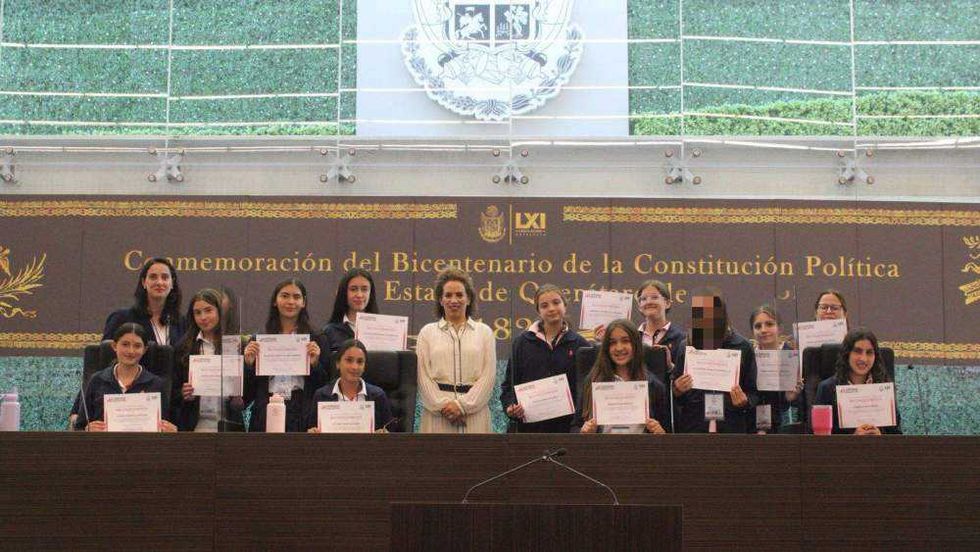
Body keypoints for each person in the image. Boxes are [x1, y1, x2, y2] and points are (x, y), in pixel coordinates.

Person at [416, 268, 496, 433]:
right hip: (437, 416)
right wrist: (444, 406)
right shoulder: (427, 333)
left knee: (476, 459)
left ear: (468, 299)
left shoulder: (485, 332)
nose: (454, 300)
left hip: (475, 415)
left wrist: (462, 406)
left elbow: (488, 377)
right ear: (440, 299)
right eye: (448, 295)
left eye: (459, 295)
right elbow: (422, 377)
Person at [500, 284, 589, 433]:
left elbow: (586, 390)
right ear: (538, 311)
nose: (551, 308)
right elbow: (508, 385)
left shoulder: (580, 344)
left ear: (565, 305)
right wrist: (511, 407)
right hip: (528, 429)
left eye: (556, 302)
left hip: (567, 429)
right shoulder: (522, 343)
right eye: (544, 305)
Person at [243, 279, 328, 432]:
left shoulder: (316, 338)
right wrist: (249, 365)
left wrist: (315, 364)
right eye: (285, 296)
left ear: (304, 302)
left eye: (296, 297)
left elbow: (325, 385)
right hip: (266, 408)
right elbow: (247, 393)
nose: (290, 301)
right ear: (275, 301)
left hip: (302, 409)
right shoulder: (259, 339)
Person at [672, 287, 758, 433]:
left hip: (731, 429)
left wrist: (745, 401)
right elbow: (674, 394)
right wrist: (677, 390)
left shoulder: (742, 346)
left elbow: (754, 393)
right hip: (693, 428)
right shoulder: (686, 346)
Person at [572, 319, 670, 434]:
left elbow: (668, 429)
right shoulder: (592, 381)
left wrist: (660, 432)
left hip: (641, 449)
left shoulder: (653, 385)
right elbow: (575, 427)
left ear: (636, 344)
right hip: (601, 449)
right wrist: (583, 431)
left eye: (625, 341)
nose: (619, 348)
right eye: (612, 342)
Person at [74, 323, 176, 432]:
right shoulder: (97, 380)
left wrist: (170, 431)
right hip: (103, 447)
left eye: (137, 346)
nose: (131, 351)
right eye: (125, 344)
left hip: (143, 447)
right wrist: (87, 429)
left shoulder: (156, 384)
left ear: (145, 349)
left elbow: (166, 426)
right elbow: (79, 427)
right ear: (114, 346)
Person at [173, 289, 245, 432]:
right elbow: (172, 390)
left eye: (208, 310)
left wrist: (239, 396)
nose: (203, 317)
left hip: (229, 425)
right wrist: (183, 393)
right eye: (197, 313)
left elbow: (249, 391)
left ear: (220, 311)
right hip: (194, 425)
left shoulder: (235, 344)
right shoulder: (183, 347)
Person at [814, 328, 902, 435]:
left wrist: (881, 436)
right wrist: (853, 438)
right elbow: (819, 440)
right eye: (857, 351)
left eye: (869, 353)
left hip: (879, 450)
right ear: (847, 354)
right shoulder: (827, 388)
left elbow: (896, 435)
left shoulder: (885, 389)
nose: (863, 359)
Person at [306, 339, 394, 432]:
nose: (354, 367)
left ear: (365, 366)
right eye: (349, 360)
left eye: (360, 362)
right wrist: (312, 433)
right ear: (338, 364)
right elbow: (311, 436)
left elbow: (391, 436)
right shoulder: (321, 395)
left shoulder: (378, 396)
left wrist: (384, 434)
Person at [102, 257, 185, 348]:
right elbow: (106, 356)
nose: (159, 282)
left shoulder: (183, 323)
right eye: (153, 277)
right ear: (143, 282)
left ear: (172, 283)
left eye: (165, 277)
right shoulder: (121, 318)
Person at [750, 305, 801, 433]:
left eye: (769, 324)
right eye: (758, 326)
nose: (763, 330)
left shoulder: (792, 356)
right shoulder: (748, 357)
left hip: (785, 428)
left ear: (780, 328)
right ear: (752, 331)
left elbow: (799, 404)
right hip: (753, 428)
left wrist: (790, 397)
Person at [322, 268, 380, 355]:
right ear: (344, 293)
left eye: (364, 289)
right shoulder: (329, 332)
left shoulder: (382, 329)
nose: (359, 295)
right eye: (353, 289)